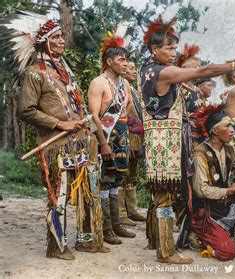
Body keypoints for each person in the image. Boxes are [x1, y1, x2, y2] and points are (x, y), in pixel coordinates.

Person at [140, 15, 235, 264]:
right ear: (155, 49)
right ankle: (166, 251)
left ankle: (157, 241)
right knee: (165, 195)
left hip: (160, 141)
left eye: (175, 47)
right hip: (166, 144)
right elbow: (204, 71)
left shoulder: (146, 69)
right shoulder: (161, 72)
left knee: (161, 194)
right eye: (169, 48)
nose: (174, 53)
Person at [7, 15, 109, 259]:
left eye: (62, 36)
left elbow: (78, 105)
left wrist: (91, 131)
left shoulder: (65, 70)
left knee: (87, 194)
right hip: (57, 146)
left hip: (82, 142)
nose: (63, 40)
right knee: (59, 196)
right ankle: (57, 246)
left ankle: (86, 241)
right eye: (56, 37)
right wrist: (59, 123)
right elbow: (26, 110)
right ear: (43, 42)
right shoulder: (34, 74)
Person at [188, 104, 235, 261]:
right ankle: (198, 233)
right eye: (227, 126)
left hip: (224, 206)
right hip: (206, 212)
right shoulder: (201, 153)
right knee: (227, 253)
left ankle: (224, 232)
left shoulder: (228, 150)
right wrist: (228, 191)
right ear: (215, 131)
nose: (232, 130)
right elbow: (201, 190)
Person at [88, 33, 136, 245]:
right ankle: (106, 228)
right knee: (105, 181)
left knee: (117, 180)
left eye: (126, 60)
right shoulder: (99, 83)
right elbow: (94, 116)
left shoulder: (125, 85)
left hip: (122, 137)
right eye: (121, 60)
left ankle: (116, 225)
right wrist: (103, 143)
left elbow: (130, 111)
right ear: (109, 62)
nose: (125, 63)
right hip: (106, 137)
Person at [118, 61, 147, 226]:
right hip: (124, 135)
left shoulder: (134, 90)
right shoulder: (121, 87)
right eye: (131, 68)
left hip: (135, 136)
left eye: (136, 68)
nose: (135, 72)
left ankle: (132, 209)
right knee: (123, 172)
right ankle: (121, 213)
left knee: (132, 173)